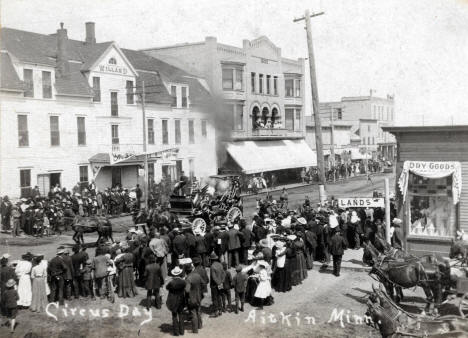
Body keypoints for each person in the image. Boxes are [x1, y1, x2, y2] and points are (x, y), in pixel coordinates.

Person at [166, 266, 186, 337]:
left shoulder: (171, 283)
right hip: (181, 300)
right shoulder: (183, 282)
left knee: (174, 316)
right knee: (181, 315)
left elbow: (167, 287)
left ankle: (176, 332)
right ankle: (182, 331)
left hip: (173, 301)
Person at [184, 263, 203, 334]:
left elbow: (187, 290)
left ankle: (195, 330)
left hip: (192, 298)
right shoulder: (198, 275)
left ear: (186, 271)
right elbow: (202, 283)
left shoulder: (188, 278)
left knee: (193, 313)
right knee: (198, 311)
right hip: (199, 297)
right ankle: (200, 325)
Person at [209, 252, 225, 317]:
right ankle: (220, 310)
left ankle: (216, 311)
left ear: (212, 259)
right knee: (219, 297)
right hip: (220, 283)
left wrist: (218, 283)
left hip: (214, 285)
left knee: (214, 298)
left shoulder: (212, 266)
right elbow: (223, 274)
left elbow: (213, 277)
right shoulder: (220, 265)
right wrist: (221, 282)